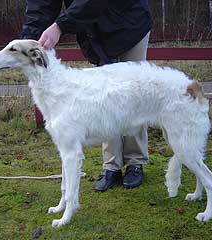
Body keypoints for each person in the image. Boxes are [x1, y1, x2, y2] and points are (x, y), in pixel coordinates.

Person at [21, 0, 152, 191]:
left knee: (134, 96)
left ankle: (135, 161)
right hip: (97, 30)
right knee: (105, 99)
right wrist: (27, 43)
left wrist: (59, 26)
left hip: (131, 21)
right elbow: (41, 6)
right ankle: (111, 165)